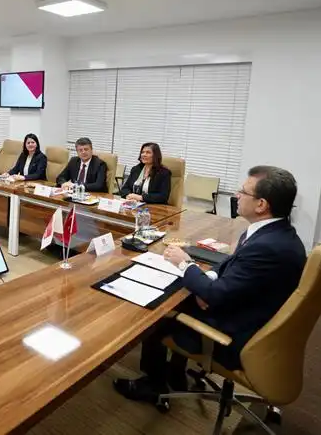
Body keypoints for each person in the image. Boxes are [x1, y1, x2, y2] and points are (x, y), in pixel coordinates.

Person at [114, 165, 306, 403]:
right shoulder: (274, 233)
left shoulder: (267, 247)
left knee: (158, 312)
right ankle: (175, 374)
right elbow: (230, 263)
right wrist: (207, 281)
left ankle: (153, 384)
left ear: (261, 205)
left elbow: (216, 295)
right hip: (248, 308)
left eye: (243, 191)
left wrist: (186, 264)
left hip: (235, 335)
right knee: (185, 293)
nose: (236, 195)